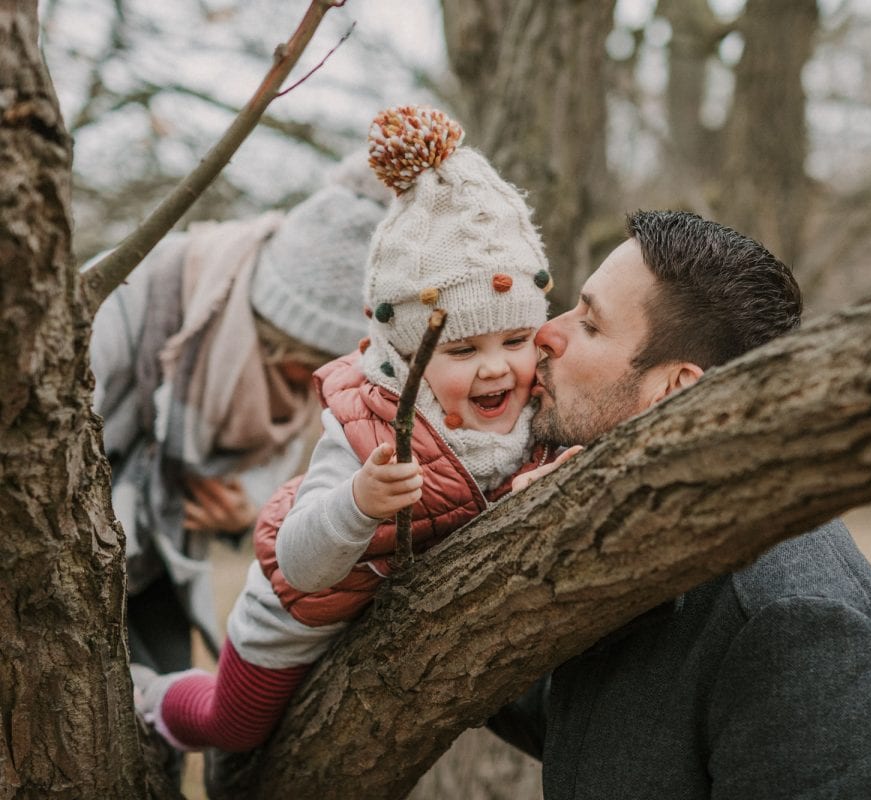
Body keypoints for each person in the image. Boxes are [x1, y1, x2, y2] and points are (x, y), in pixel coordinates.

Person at [130, 104, 558, 755]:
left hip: (396, 622)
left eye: (516, 338)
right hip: (303, 609)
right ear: (406, 354)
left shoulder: (540, 403)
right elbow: (301, 565)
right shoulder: (369, 425)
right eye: (463, 351)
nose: (497, 368)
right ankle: (149, 697)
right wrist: (359, 502)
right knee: (234, 728)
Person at [490, 210, 871, 798]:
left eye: (591, 324)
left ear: (679, 391)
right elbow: (584, 731)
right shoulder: (636, 546)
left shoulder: (809, 636)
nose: (546, 333)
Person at [90, 155, 389, 676]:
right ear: (265, 335)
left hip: (152, 578)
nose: (309, 396)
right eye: (300, 374)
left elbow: (273, 488)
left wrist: (243, 516)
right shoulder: (128, 296)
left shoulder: (280, 378)